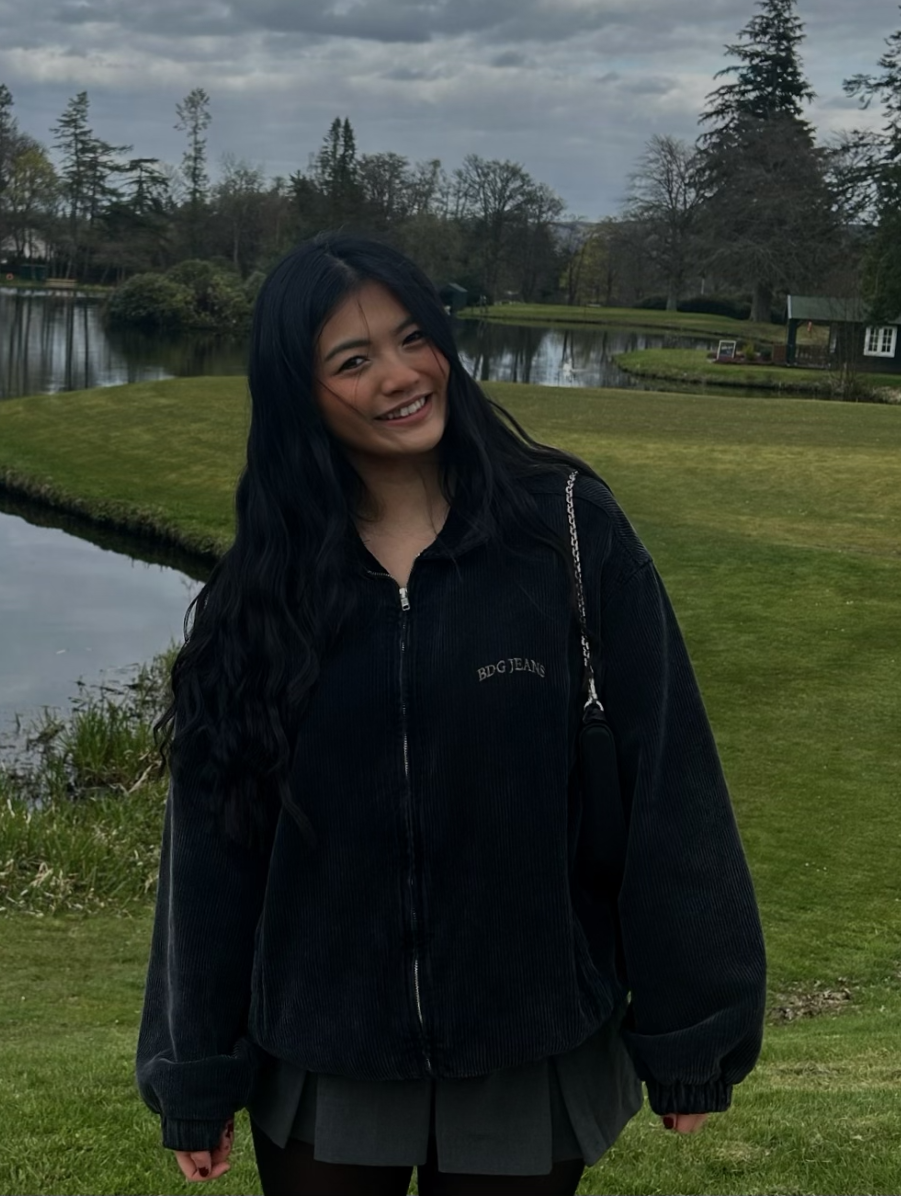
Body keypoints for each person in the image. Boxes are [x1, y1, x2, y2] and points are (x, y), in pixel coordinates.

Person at [136, 234, 767, 1195]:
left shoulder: (566, 531)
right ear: (299, 392)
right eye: (352, 361)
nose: (400, 376)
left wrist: (694, 1027)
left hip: (529, 1038)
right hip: (322, 1051)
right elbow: (214, 848)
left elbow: (668, 782)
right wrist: (195, 1071)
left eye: (413, 337)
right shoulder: (263, 591)